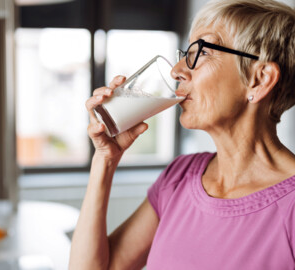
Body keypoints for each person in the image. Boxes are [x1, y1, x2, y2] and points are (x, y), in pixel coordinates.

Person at [69, 0, 295, 269]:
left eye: (201, 52)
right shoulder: (179, 177)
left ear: (259, 79)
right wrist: (105, 159)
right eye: (184, 52)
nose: (176, 70)